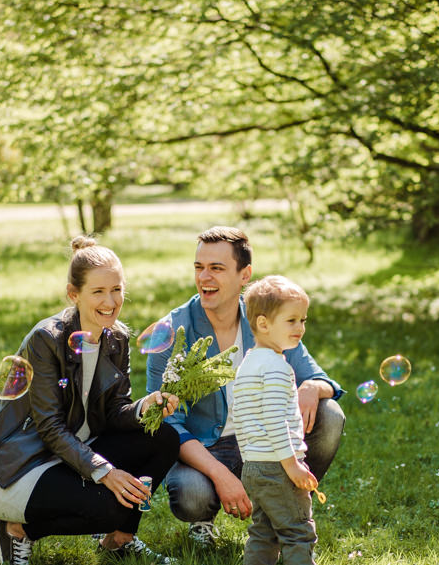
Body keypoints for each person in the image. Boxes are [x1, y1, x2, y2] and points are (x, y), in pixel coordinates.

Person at [0, 236, 181, 565]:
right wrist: (105, 472)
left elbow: (116, 411)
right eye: (98, 292)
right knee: (111, 507)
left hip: (74, 453)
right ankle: (16, 530)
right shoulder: (46, 339)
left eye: (117, 289)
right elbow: (49, 427)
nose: (111, 301)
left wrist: (145, 407)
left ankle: (119, 541)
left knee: (164, 437)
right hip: (21, 465)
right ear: (74, 294)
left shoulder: (116, 339)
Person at [146, 226, 344, 547]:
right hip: (205, 447)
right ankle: (202, 523)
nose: (204, 277)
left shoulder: (265, 319)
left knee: (331, 415)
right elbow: (167, 421)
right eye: (199, 267)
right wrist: (221, 476)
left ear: (244, 274)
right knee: (191, 496)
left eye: (217, 268)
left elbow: (319, 378)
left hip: (266, 439)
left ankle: (288, 505)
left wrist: (312, 388)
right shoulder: (173, 331)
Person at [231, 276, 341, 565]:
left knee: (263, 530)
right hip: (279, 464)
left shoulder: (249, 362)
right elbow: (276, 421)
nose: (300, 328)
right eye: (291, 321)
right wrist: (292, 464)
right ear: (263, 324)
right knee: (297, 531)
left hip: (253, 466)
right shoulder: (278, 369)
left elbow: (246, 417)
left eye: (303, 320)